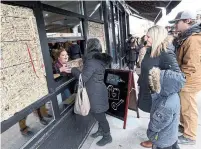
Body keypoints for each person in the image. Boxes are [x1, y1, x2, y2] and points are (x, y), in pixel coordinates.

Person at [138, 26, 181, 148]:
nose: (145, 38)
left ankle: (158, 141)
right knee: (154, 118)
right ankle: (154, 139)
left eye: (148, 36)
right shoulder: (150, 49)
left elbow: (177, 78)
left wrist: (163, 93)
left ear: (157, 37)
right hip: (148, 90)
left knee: (159, 121)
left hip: (159, 95)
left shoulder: (166, 53)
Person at [70, 38, 113, 146]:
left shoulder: (91, 60)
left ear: (89, 47)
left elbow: (83, 78)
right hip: (97, 91)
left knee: (100, 116)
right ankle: (101, 131)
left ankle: (107, 136)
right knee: (98, 113)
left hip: (95, 93)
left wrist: (73, 69)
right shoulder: (98, 59)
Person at [169, 10, 201, 145]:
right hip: (186, 79)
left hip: (189, 80)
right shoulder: (187, 37)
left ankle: (190, 136)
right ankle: (184, 126)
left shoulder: (193, 39)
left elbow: (191, 66)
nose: (175, 25)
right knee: (184, 107)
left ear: (187, 21)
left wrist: (181, 80)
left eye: (177, 22)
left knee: (189, 108)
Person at [148, 67, 185, 149]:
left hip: (162, 139)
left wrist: (150, 132)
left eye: (155, 82)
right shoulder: (173, 94)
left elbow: (157, 123)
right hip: (171, 134)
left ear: (164, 86)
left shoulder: (165, 106)